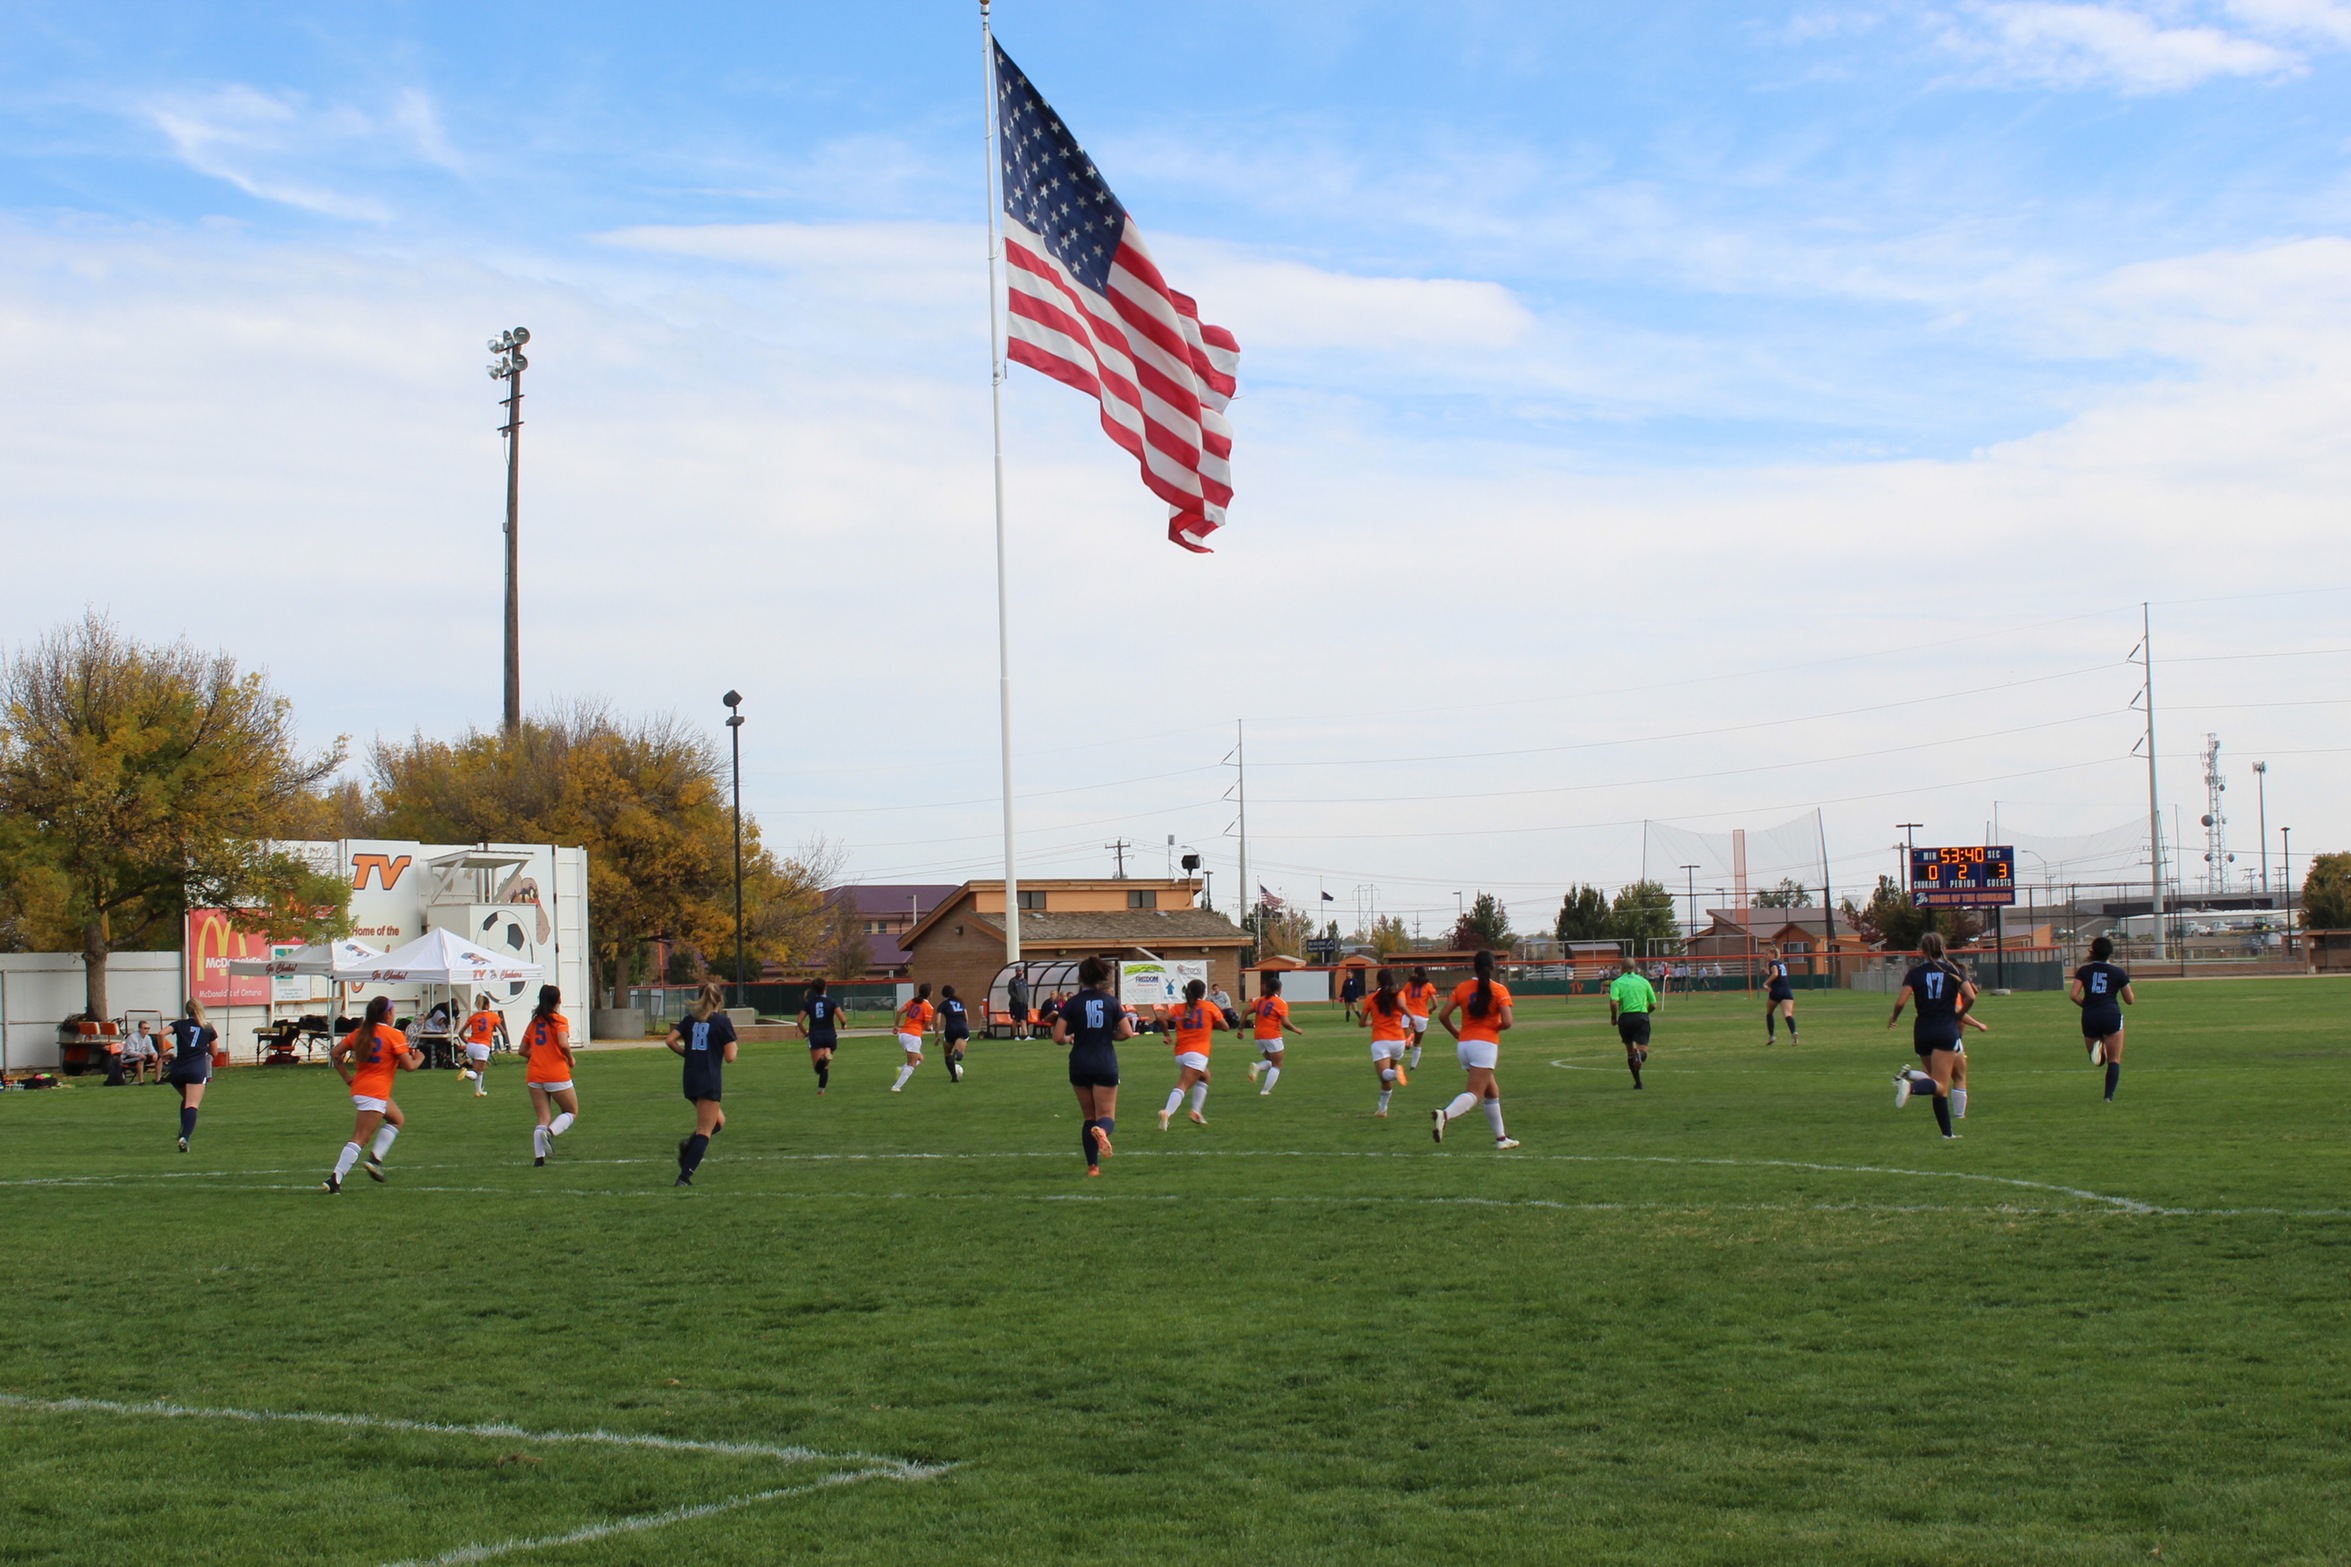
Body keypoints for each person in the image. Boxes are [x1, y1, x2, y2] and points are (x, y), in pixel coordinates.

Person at [324, 997, 422, 1192]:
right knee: (360, 1138)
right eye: (393, 1011)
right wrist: (419, 1058)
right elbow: (409, 1066)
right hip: (374, 1093)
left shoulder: (360, 1032)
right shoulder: (393, 1035)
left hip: (362, 1088)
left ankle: (375, 1159)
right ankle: (334, 1179)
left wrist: (346, 1078)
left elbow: (335, 1053)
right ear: (387, 1014)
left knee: (397, 1119)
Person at [1888, 932, 1974, 1140]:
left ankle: (1947, 1134)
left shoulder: (1915, 973)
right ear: (1942, 947)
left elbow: (1901, 1002)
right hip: (1944, 1030)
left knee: (1937, 1085)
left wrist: (1894, 1017)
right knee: (1941, 1084)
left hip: (1922, 1031)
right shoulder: (1953, 970)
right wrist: (1959, 1015)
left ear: (1923, 951)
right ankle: (1911, 1086)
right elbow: (1970, 995)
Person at [1053, 955, 1131, 1175]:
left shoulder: (1072, 1003)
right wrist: (1109, 1034)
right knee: (1106, 1115)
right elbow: (1127, 1032)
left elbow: (1058, 1036)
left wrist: (1070, 1039)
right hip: (1104, 1061)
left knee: (1088, 1116)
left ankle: (1093, 1167)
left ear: (1081, 978)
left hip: (1079, 1063)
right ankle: (1103, 1132)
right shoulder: (1110, 1002)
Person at [1433, 949, 1519, 1148]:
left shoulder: (1463, 988)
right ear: (1492, 968)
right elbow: (1507, 1022)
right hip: (1484, 1045)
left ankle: (1501, 1139)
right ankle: (1444, 1114)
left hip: (1464, 1045)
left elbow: (1443, 1016)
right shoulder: (1498, 990)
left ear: (1474, 967)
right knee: (1474, 1094)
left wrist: (1458, 1034)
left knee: (1492, 1091)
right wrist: (1493, 1027)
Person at [667, 981, 737, 1187]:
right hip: (709, 1079)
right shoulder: (722, 1022)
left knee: (718, 1122)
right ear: (719, 999)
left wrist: (686, 1054)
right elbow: (731, 1056)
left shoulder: (690, 1020)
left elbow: (670, 1040)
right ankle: (684, 1176)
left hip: (691, 1078)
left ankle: (689, 1147)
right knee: (705, 1130)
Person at [2070, 934, 2136, 1102]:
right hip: (2110, 1014)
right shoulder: (2118, 972)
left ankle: (2099, 1049)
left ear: (2093, 951)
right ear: (2110, 953)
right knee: (2114, 1060)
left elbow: (2073, 995)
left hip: (2090, 1015)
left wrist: (2087, 1005)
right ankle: (2108, 1097)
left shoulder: (2084, 970)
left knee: (2098, 1061)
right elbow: (2130, 1000)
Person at [520, 986, 578, 1166]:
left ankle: (539, 1159)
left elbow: (522, 1050)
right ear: (558, 1000)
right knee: (571, 1111)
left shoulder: (534, 1023)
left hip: (535, 1075)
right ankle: (550, 1133)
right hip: (556, 1073)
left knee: (542, 1118)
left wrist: (538, 1056)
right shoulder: (559, 1021)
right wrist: (570, 1057)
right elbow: (563, 1043)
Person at [1159, 978, 1223, 1129]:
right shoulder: (1209, 1006)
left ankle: (1196, 1111)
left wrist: (1167, 1035)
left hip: (1181, 1054)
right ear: (1203, 992)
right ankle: (1166, 1113)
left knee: (1205, 1076)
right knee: (1183, 1085)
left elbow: (1162, 1019)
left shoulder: (1179, 1008)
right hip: (1197, 1053)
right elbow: (1225, 1026)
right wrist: (1214, 1021)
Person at [1356, 967, 1412, 1116]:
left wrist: (1370, 1023)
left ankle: (1395, 1073)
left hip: (1381, 1041)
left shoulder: (1371, 998)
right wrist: (1411, 1017)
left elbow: (1361, 1023)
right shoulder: (1399, 994)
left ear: (1378, 981)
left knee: (1385, 1075)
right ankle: (1382, 1110)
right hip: (1398, 1041)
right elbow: (1401, 1005)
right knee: (1385, 1077)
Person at [164, 1001, 217, 1152]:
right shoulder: (207, 1027)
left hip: (177, 1070)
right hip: (196, 1070)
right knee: (192, 1104)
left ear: (187, 1011)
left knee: (187, 1100)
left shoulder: (179, 1024)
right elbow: (214, 1053)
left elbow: (162, 1033)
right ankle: (185, 1137)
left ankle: (183, 1131)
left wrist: (163, 1052)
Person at [1245, 973, 1305, 1095]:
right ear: (1279, 989)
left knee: (1272, 1062)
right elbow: (1285, 1023)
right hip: (1272, 1036)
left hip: (1258, 1036)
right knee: (1277, 1065)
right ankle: (1265, 1091)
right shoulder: (1280, 1002)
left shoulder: (1259, 1000)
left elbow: (1245, 1012)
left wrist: (1240, 1029)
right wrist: (1296, 1030)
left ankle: (1257, 1067)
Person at [1607, 957, 1659, 1090]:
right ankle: (1639, 1056)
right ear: (1635, 968)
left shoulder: (1617, 983)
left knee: (1630, 1051)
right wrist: (1645, 1013)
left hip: (1625, 1018)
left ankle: (1638, 1083)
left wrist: (1613, 1017)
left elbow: (1614, 1002)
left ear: (1621, 968)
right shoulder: (1644, 981)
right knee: (1643, 1050)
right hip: (1641, 1016)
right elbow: (1654, 1004)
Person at [799, 978, 842, 1093]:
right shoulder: (832, 1002)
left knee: (819, 1069)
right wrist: (843, 1025)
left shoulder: (809, 1003)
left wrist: (805, 1033)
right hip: (830, 1035)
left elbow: (799, 1021)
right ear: (825, 988)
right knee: (825, 1067)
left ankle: (823, 1058)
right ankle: (820, 1091)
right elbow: (842, 1018)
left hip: (815, 1035)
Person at [892, 984, 935, 1093]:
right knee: (912, 1064)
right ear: (930, 993)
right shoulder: (929, 1007)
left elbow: (899, 1012)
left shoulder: (913, 1001)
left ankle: (902, 1069)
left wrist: (896, 1026)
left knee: (920, 1059)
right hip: (913, 1036)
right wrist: (931, 1028)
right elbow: (926, 1027)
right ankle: (896, 1087)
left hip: (903, 1035)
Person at [459, 996, 506, 1097]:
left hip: (471, 1046)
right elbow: (502, 1031)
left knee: (480, 1069)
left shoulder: (474, 1017)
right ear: (488, 1005)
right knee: (476, 1072)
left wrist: (468, 1043)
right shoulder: (493, 1016)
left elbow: (460, 1033)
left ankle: (478, 1091)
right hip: (483, 1046)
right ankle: (466, 1072)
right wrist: (505, 1038)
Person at [1401, 967, 1439, 1071]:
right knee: (1418, 1043)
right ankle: (1413, 1066)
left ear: (1417, 974)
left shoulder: (1408, 985)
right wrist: (1430, 1010)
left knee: (1407, 1042)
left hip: (1408, 1015)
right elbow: (1436, 1004)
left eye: (1414, 972)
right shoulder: (1428, 986)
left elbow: (1401, 999)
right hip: (1422, 1016)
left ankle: (1409, 1039)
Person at [1763, 945, 1799, 1044]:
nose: (1765, 956)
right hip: (1786, 991)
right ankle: (1794, 1032)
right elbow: (1777, 974)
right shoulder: (1780, 963)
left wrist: (1765, 983)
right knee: (1787, 1014)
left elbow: (1775, 974)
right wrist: (1767, 972)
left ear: (1773, 954)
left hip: (1776, 991)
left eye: (1767, 954)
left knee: (1769, 1013)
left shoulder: (1772, 962)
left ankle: (1772, 1036)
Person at [939, 984, 972, 1082]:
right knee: (960, 1050)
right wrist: (965, 1027)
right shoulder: (960, 1002)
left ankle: (954, 1077)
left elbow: (937, 1021)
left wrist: (936, 1035)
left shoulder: (943, 1004)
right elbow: (966, 1018)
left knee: (947, 1053)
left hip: (950, 1029)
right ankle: (958, 1053)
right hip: (962, 1028)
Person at [125, 1019, 161, 1085]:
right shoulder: (132, 1037)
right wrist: (139, 1054)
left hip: (142, 1056)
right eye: (145, 1028)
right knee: (141, 1058)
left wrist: (154, 1054)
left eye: (148, 1028)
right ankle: (141, 1081)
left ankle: (157, 1080)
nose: (147, 1030)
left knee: (159, 1058)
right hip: (129, 1058)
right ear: (140, 1029)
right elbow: (129, 1051)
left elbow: (151, 1049)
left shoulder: (148, 1037)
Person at [1006, 971, 1031, 1038]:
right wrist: (1017, 998)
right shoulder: (1012, 981)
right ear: (1016, 972)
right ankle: (1014, 1035)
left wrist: (1026, 999)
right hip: (1015, 1004)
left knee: (1023, 1019)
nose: (1020, 972)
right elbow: (1010, 991)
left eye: (1020, 971)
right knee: (1015, 1019)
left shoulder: (1024, 981)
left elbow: (1027, 991)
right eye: (1018, 971)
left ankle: (1025, 1035)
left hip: (1023, 1003)